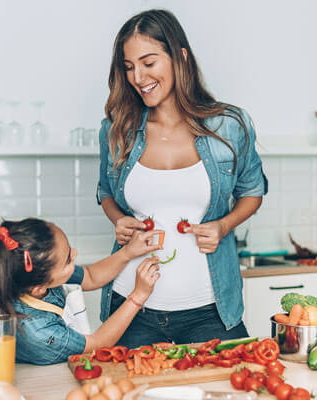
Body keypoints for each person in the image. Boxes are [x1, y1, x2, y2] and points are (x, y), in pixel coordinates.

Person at [97, 9, 268, 348]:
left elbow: (252, 192)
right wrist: (119, 220)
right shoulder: (117, 130)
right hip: (131, 308)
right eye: (128, 66)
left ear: (180, 57)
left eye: (148, 62)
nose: (137, 76)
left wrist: (223, 226)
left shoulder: (230, 125)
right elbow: (105, 192)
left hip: (210, 311)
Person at [0, 217, 162, 365]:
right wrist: (139, 295)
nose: (75, 254)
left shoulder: (37, 274)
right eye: (69, 259)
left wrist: (128, 252)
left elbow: (91, 276)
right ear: (39, 287)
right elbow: (98, 344)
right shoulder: (39, 331)